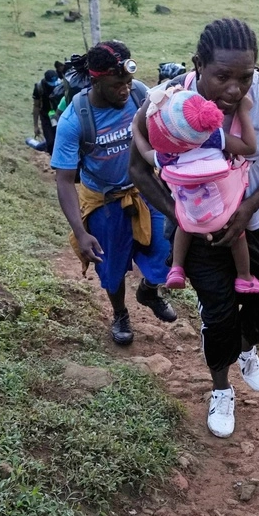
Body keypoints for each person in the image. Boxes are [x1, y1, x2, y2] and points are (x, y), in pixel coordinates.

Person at [130, 18, 259, 439]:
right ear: (199, 66)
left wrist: (248, 207)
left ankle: (246, 348)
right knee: (219, 314)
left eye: (244, 76)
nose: (234, 89)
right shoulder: (165, 103)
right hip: (198, 233)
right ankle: (222, 389)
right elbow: (139, 167)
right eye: (222, 76)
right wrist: (181, 214)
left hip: (253, 221)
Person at [52, 41, 177, 346]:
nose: (125, 89)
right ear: (96, 81)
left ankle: (148, 290)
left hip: (145, 187)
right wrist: (80, 233)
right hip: (104, 200)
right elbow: (64, 181)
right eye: (117, 84)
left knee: (171, 247)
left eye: (128, 82)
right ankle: (120, 313)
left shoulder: (140, 95)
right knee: (111, 266)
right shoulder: (74, 121)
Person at [139, 86, 259, 295]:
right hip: (222, 212)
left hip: (190, 213)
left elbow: (145, 154)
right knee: (238, 235)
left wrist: (137, 131)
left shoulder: (167, 154)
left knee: (184, 224)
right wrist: (243, 111)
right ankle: (244, 277)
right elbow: (250, 147)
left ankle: (177, 268)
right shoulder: (212, 138)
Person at [32, 68, 62, 154]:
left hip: (60, 115)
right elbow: (36, 106)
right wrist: (36, 126)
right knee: (51, 143)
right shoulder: (39, 87)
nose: (54, 85)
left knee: (60, 139)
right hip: (46, 116)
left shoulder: (62, 85)